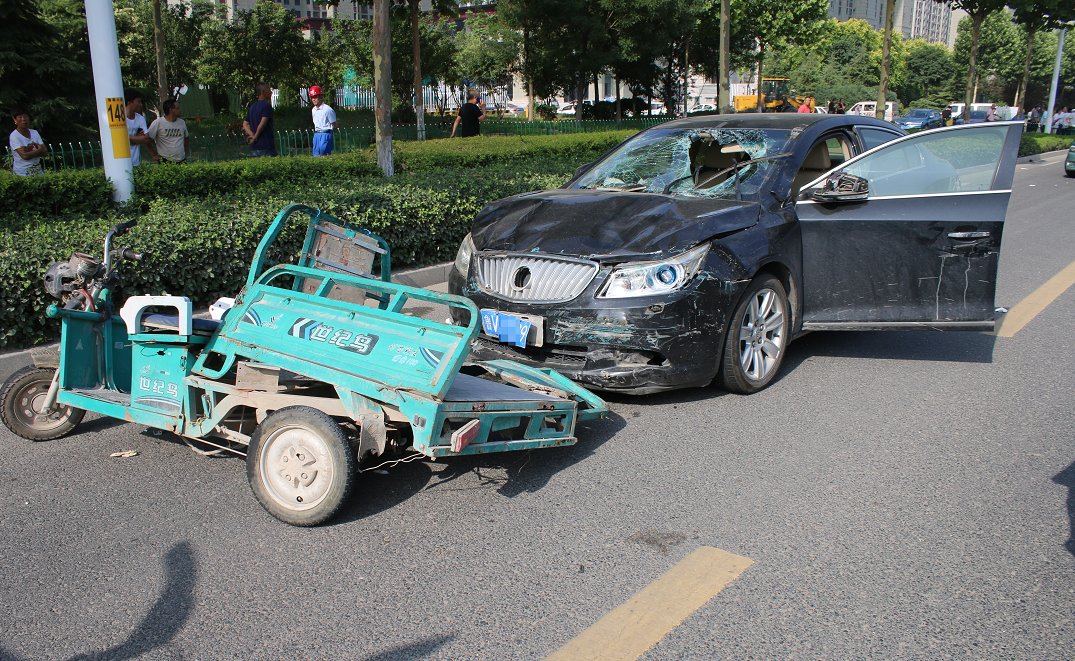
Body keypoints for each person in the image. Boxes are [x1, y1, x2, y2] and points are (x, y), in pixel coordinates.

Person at [8, 106, 47, 176]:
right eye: (20, 117)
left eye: (25, 116)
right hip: (22, 174)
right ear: (15, 120)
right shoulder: (14, 136)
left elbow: (45, 152)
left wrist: (29, 150)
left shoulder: (34, 133)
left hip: (38, 172)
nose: (23, 119)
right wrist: (38, 149)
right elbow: (25, 156)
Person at [147, 99, 189, 164]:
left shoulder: (182, 122)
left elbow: (186, 138)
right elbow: (147, 139)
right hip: (166, 160)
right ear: (171, 110)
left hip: (181, 160)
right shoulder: (158, 123)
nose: (180, 110)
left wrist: (185, 153)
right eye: (178, 108)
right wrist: (153, 155)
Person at [243, 82, 277, 157]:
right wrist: (255, 136)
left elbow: (245, 123)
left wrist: (252, 135)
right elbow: (262, 123)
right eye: (269, 90)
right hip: (266, 145)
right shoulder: (266, 106)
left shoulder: (252, 107)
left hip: (255, 147)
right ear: (263, 92)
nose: (271, 92)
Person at [125, 90, 155, 166]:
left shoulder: (140, 118)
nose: (141, 105)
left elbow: (146, 139)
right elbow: (120, 140)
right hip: (122, 162)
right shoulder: (120, 120)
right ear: (129, 103)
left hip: (136, 162)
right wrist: (137, 139)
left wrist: (127, 138)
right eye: (138, 102)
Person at [308, 85, 337, 157]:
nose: (313, 99)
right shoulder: (313, 110)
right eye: (312, 97)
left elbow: (334, 123)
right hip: (317, 134)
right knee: (316, 155)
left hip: (325, 133)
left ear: (321, 97)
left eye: (315, 97)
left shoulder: (327, 109)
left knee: (324, 154)